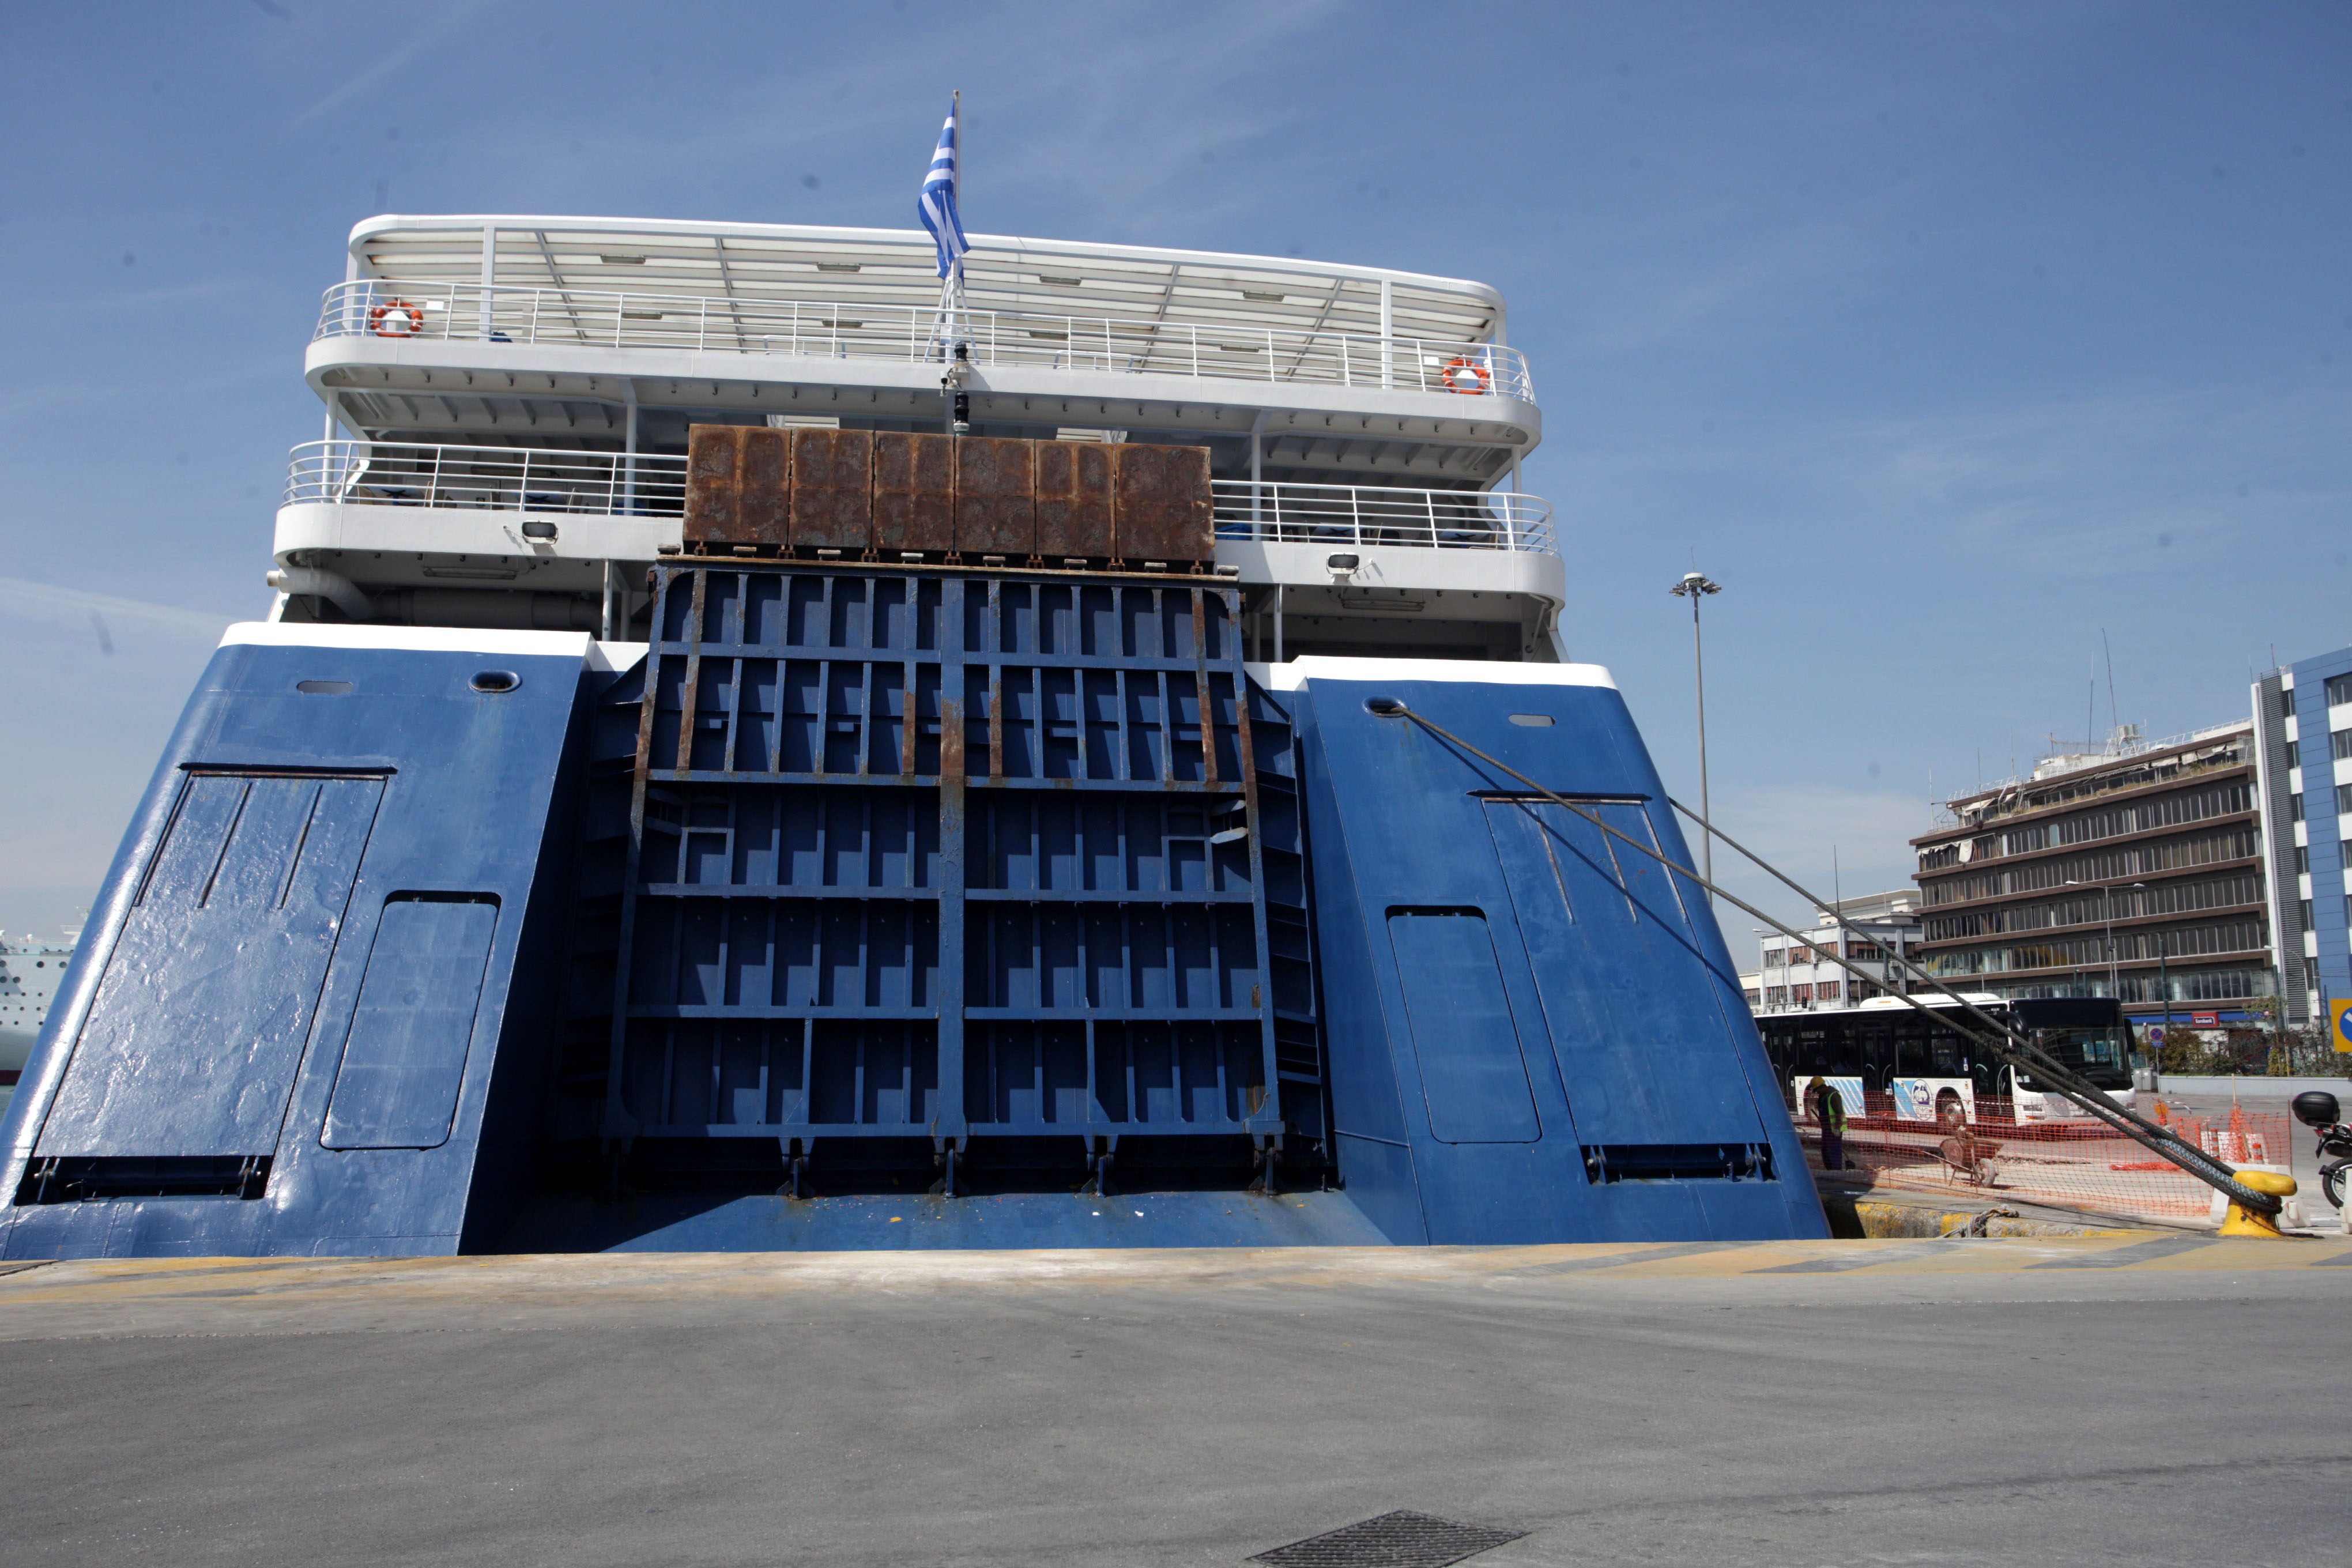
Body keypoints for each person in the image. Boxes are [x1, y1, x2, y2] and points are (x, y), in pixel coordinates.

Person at [1805, 1075, 1846, 1172]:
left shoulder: (1833, 1095)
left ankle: (1836, 1171)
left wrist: (1837, 1128)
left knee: (1834, 1151)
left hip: (1834, 1129)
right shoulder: (1823, 1096)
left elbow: (1839, 1113)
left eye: (1818, 1090)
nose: (1817, 1093)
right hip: (1826, 1128)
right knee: (1825, 1150)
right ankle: (1830, 1170)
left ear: (1822, 1087)